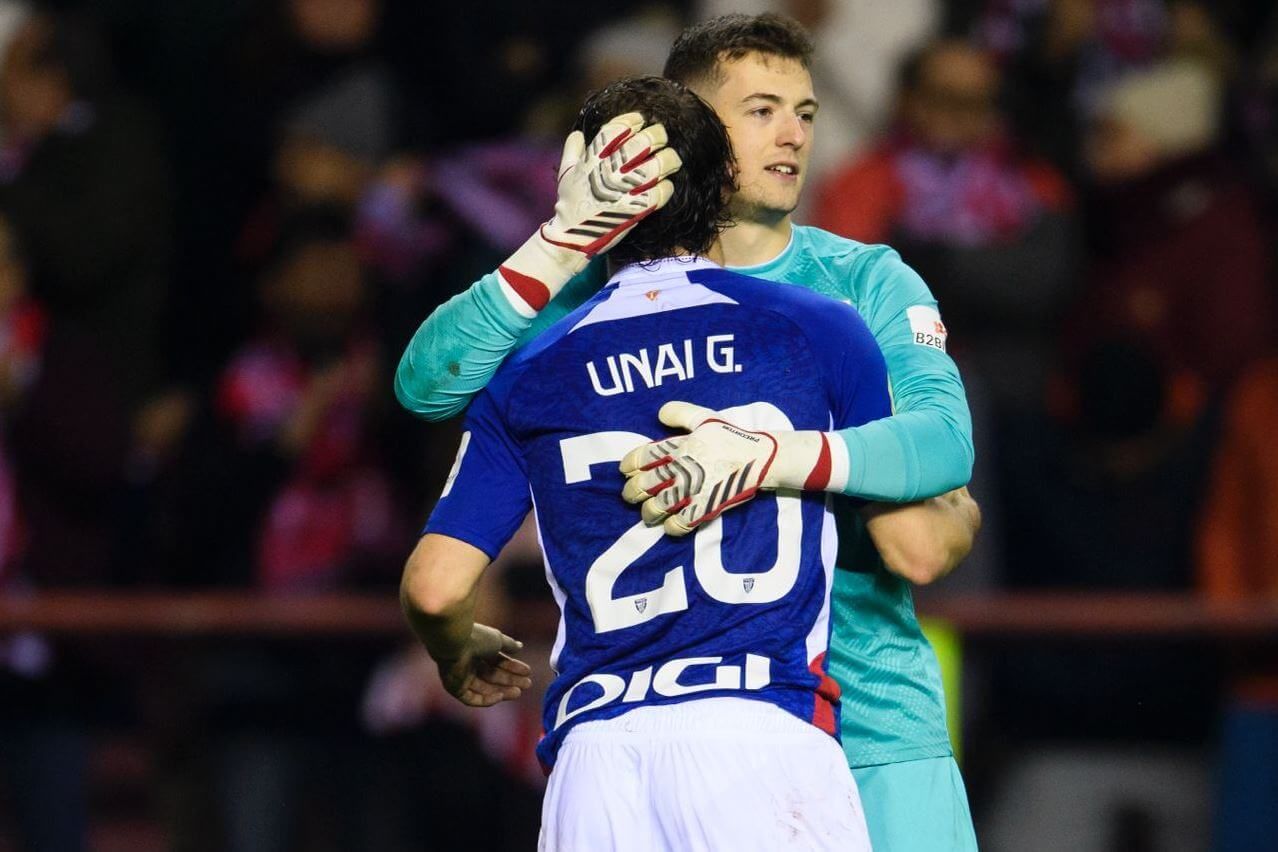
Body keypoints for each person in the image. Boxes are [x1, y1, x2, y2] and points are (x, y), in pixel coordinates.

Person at [396, 13, 981, 850]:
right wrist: (559, 247)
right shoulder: (585, 298)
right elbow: (424, 385)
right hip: (738, 736)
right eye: (761, 110)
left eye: (805, 113)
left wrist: (770, 460)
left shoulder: (864, 277)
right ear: (690, 133)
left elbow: (939, 469)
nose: (792, 135)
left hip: (875, 731)